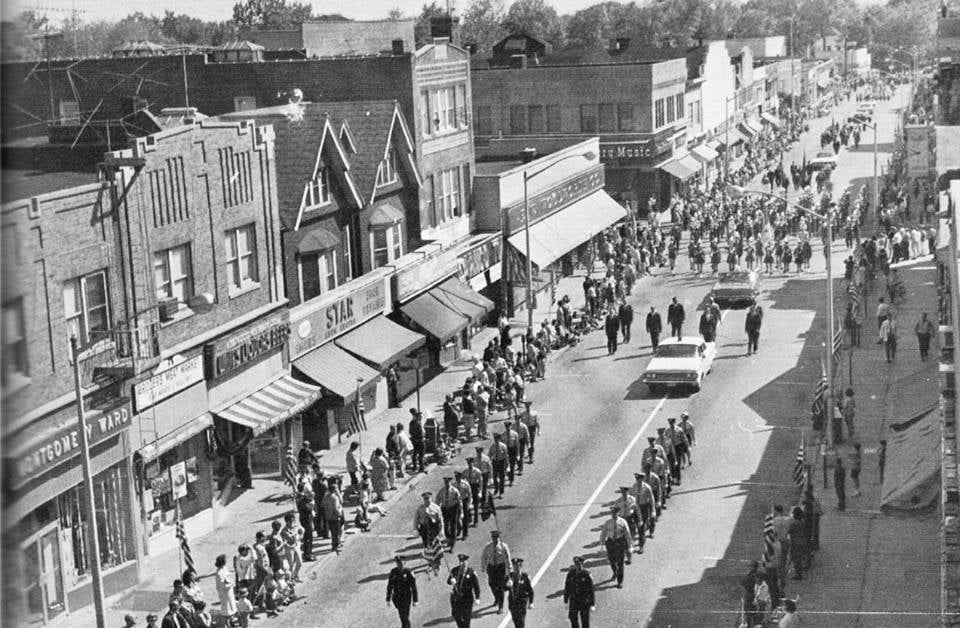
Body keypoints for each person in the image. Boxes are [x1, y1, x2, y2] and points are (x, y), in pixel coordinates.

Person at [599, 506, 632, 588]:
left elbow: (627, 534)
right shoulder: (608, 522)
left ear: (618, 513)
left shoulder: (622, 522)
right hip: (610, 543)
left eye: (615, 513)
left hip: (619, 542)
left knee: (620, 562)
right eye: (612, 513)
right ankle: (615, 572)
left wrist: (629, 545)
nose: (613, 515)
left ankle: (620, 581)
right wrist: (602, 543)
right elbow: (603, 532)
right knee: (612, 560)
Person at [481, 529, 512, 613]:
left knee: (500, 586)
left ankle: (501, 606)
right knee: (491, 584)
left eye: (497, 537)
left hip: (500, 567)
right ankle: (496, 598)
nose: (495, 539)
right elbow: (484, 556)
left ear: (499, 537)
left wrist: (510, 568)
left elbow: (508, 557)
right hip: (491, 567)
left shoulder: (503, 546)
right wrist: (483, 567)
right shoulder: (488, 546)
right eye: (494, 537)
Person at [448, 553, 481, 628]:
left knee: (466, 618)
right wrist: (451, 580)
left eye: (464, 561)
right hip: (456, 597)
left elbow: (476, 586)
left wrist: (477, 597)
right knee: (456, 615)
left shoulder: (471, 572)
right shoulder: (455, 570)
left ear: (467, 562)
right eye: (461, 561)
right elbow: (448, 581)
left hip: (467, 597)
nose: (462, 563)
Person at [386, 555, 418, 628]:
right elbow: (390, 585)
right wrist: (388, 598)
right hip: (397, 598)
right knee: (403, 617)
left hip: (406, 597)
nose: (399, 564)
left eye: (401, 563)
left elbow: (413, 587)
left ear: (405, 562)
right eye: (398, 563)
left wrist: (415, 600)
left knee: (404, 617)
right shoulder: (393, 572)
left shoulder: (408, 572)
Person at [563, 556, 595, 628]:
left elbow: (591, 590)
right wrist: (565, 601)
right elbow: (567, 588)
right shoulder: (570, 574)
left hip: (584, 601)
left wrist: (592, 604)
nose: (578, 567)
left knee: (585, 621)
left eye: (580, 565)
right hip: (574, 600)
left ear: (582, 565)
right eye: (577, 565)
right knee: (573, 619)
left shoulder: (586, 575)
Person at [506, 558, 534, 628]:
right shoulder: (510, 576)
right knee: (515, 621)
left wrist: (531, 602)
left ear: (521, 566)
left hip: (522, 603)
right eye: (514, 566)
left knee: (521, 622)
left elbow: (530, 590)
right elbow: (503, 588)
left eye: (518, 566)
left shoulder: (525, 577)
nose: (516, 568)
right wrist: (507, 585)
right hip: (513, 603)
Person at [437, 477, 462, 552]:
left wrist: (461, 512)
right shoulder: (442, 491)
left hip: (453, 509)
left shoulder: (454, 491)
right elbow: (437, 499)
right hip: (444, 509)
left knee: (453, 527)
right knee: (445, 527)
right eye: (445, 482)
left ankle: (452, 544)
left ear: (450, 482)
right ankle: (449, 538)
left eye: (448, 482)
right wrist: (437, 510)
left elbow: (459, 501)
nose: (447, 484)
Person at [321, 476, 344, 554]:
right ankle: (336, 546)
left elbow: (322, 505)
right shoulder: (334, 498)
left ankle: (334, 545)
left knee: (332, 532)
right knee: (336, 532)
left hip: (328, 516)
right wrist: (339, 513)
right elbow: (335, 507)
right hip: (335, 516)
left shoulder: (325, 496)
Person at [214, 554, 237, 628]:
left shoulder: (225, 568)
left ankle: (231, 621)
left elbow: (229, 576)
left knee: (231, 606)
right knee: (226, 609)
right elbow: (222, 585)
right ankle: (225, 624)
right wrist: (230, 584)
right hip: (224, 593)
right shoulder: (219, 573)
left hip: (229, 591)